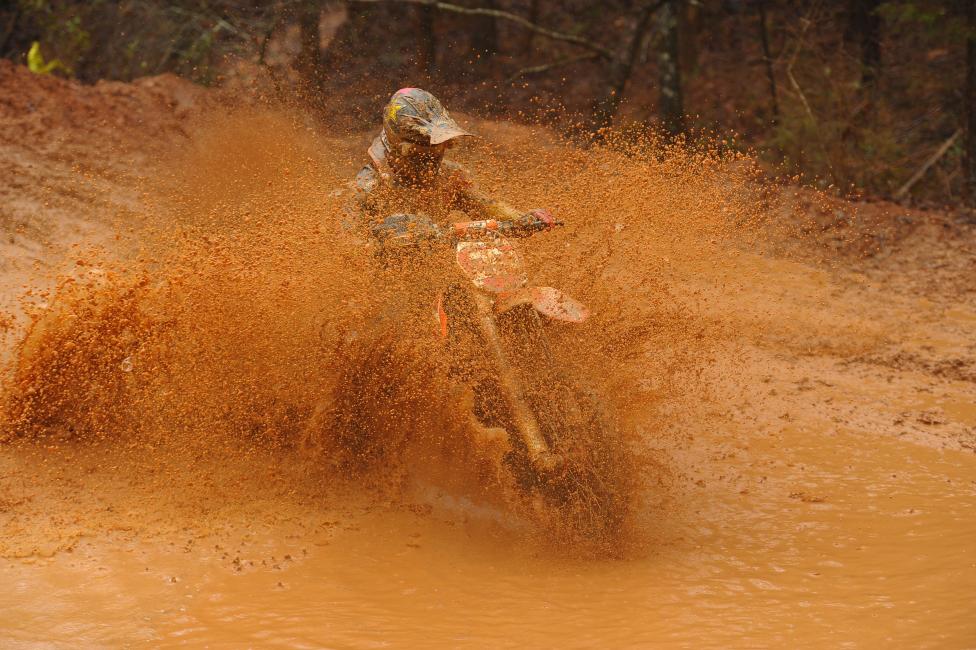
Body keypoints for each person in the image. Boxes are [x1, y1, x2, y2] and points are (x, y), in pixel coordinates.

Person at [348, 87, 556, 244]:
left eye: (438, 148)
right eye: (422, 152)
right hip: (389, 284)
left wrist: (523, 218)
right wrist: (387, 237)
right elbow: (349, 248)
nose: (431, 158)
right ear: (398, 146)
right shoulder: (369, 186)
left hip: (445, 268)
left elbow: (486, 206)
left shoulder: (450, 175)